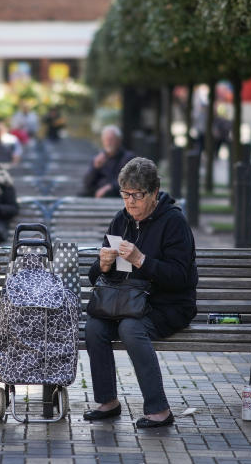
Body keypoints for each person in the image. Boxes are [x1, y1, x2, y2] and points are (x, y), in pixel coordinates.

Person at [83, 157, 198, 428]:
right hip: (125, 302)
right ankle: (107, 401)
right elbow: (96, 276)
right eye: (125, 194)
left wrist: (142, 261)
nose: (130, 202)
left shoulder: (174, 223)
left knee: (131, 329)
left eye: (137, 195)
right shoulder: (121, 220)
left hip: (168, 305)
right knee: (94, 327)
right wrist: (102, 265)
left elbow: (181, 278)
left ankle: (159, 410)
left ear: (154, 193)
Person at [80, 125, 136, 198]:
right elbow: (87, 183)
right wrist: (95, 168)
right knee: (81, 195)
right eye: (106, 140)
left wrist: (110, 187)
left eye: (111, 139)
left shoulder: (128, 157)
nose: (108, 142)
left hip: (117, 194)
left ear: (119, 140)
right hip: (98, 192)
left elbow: (129, 180)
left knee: (108, 193)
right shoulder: (99, 157)